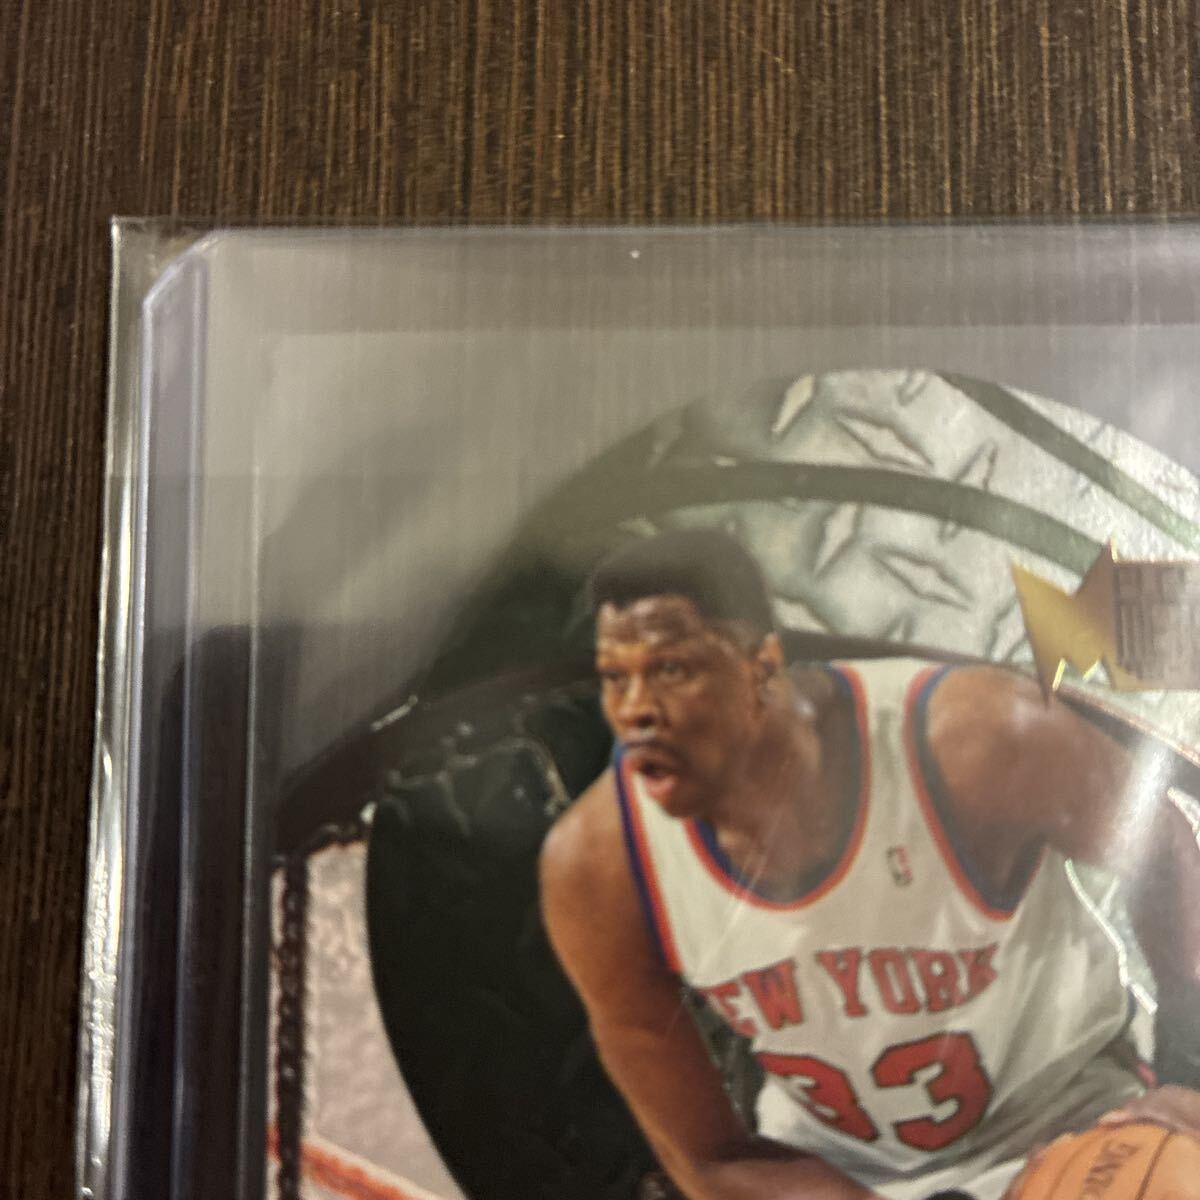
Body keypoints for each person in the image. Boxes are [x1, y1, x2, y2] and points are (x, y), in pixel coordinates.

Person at [539, 528, 1200, 1200]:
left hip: (1072, 1109)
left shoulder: (975, 740)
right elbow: (710, 1162)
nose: (636, 711)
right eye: (615, 679)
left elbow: (1165, 847)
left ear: (760, 666)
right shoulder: (599, 869)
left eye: (672, 671)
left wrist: (1191, 1068)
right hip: (845, 1175)